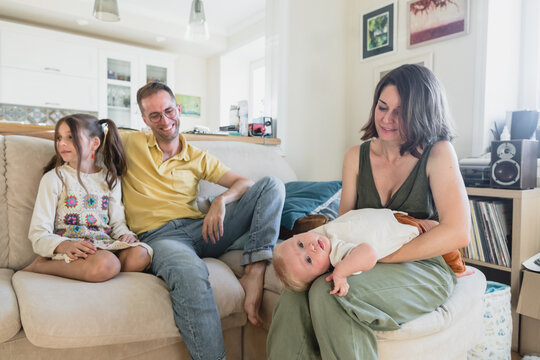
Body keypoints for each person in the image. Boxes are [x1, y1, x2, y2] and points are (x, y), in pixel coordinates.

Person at [267, 64, 471, 359]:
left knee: (329, 293)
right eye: (382, 106)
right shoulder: (356, 157)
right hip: (362, 258)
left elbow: (457, 232)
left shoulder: (438, 153)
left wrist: (379, 255)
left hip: (424, 267)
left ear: (421, 113)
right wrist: (340, 257)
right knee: (293, 296)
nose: (386, 119)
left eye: (399, 113)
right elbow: (344, 224)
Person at [120, 81, 285, 360]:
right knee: (191, 273)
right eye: (155, 116)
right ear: (144, 119)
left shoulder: (197, 156)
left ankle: (254, 273)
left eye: (169, 111)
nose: (165, 121)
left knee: (272, 186)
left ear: (179, 109)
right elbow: (85, 136)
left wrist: (220, 200)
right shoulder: (129, 142)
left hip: (202, 230)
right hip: (162, 238)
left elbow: (244, 183)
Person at [23, 114, 152, 282]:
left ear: (95, 143)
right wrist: (65, 245)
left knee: (141, 254)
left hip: (103, 245)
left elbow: (117, 223)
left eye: (70, 137)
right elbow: (38, 233)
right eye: (59, 138)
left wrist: (125, 235)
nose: (61, 143)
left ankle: (103, 268)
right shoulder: (54, 178)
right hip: (70, 248)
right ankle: (41, 266)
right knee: (107, 263)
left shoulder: (110, 178)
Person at [273, 209, 466, 296]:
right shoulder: (338, 255)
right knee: (440, 233)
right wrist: (341, 272)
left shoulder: (317, 236)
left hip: (393, 217)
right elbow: (368, 253)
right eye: (308, 259)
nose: (311, 247)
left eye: (300, 244)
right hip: (404, 232)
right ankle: (458, 269)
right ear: (318, 275)